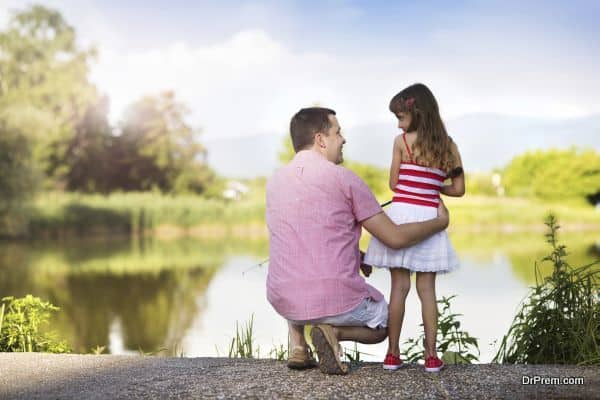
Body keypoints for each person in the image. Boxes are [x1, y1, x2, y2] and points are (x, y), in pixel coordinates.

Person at [266, 106, 450, 375]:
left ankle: (299, 345)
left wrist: (358, 256)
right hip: (332, 300)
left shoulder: (275, 182)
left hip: (284, 300)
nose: (343, 139)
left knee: (294, 270)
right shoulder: (345, 179)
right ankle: (333, 331)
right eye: (338, 132)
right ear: (321, 139)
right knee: (385, 323)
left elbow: (307, 237)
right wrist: (438, 222)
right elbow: (395, 237)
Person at [364, 83, 465, 372]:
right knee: (427, 290)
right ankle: (431, 357)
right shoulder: (448, 145)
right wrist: (435, 187)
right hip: (430, 218)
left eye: (401, 117)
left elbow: (394, 184)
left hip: (400, 215)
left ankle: (392, 355)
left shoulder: (401, 142)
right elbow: (458, 189)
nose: (398, 123)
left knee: (399, 287)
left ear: (416, 112)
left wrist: (411, 186)